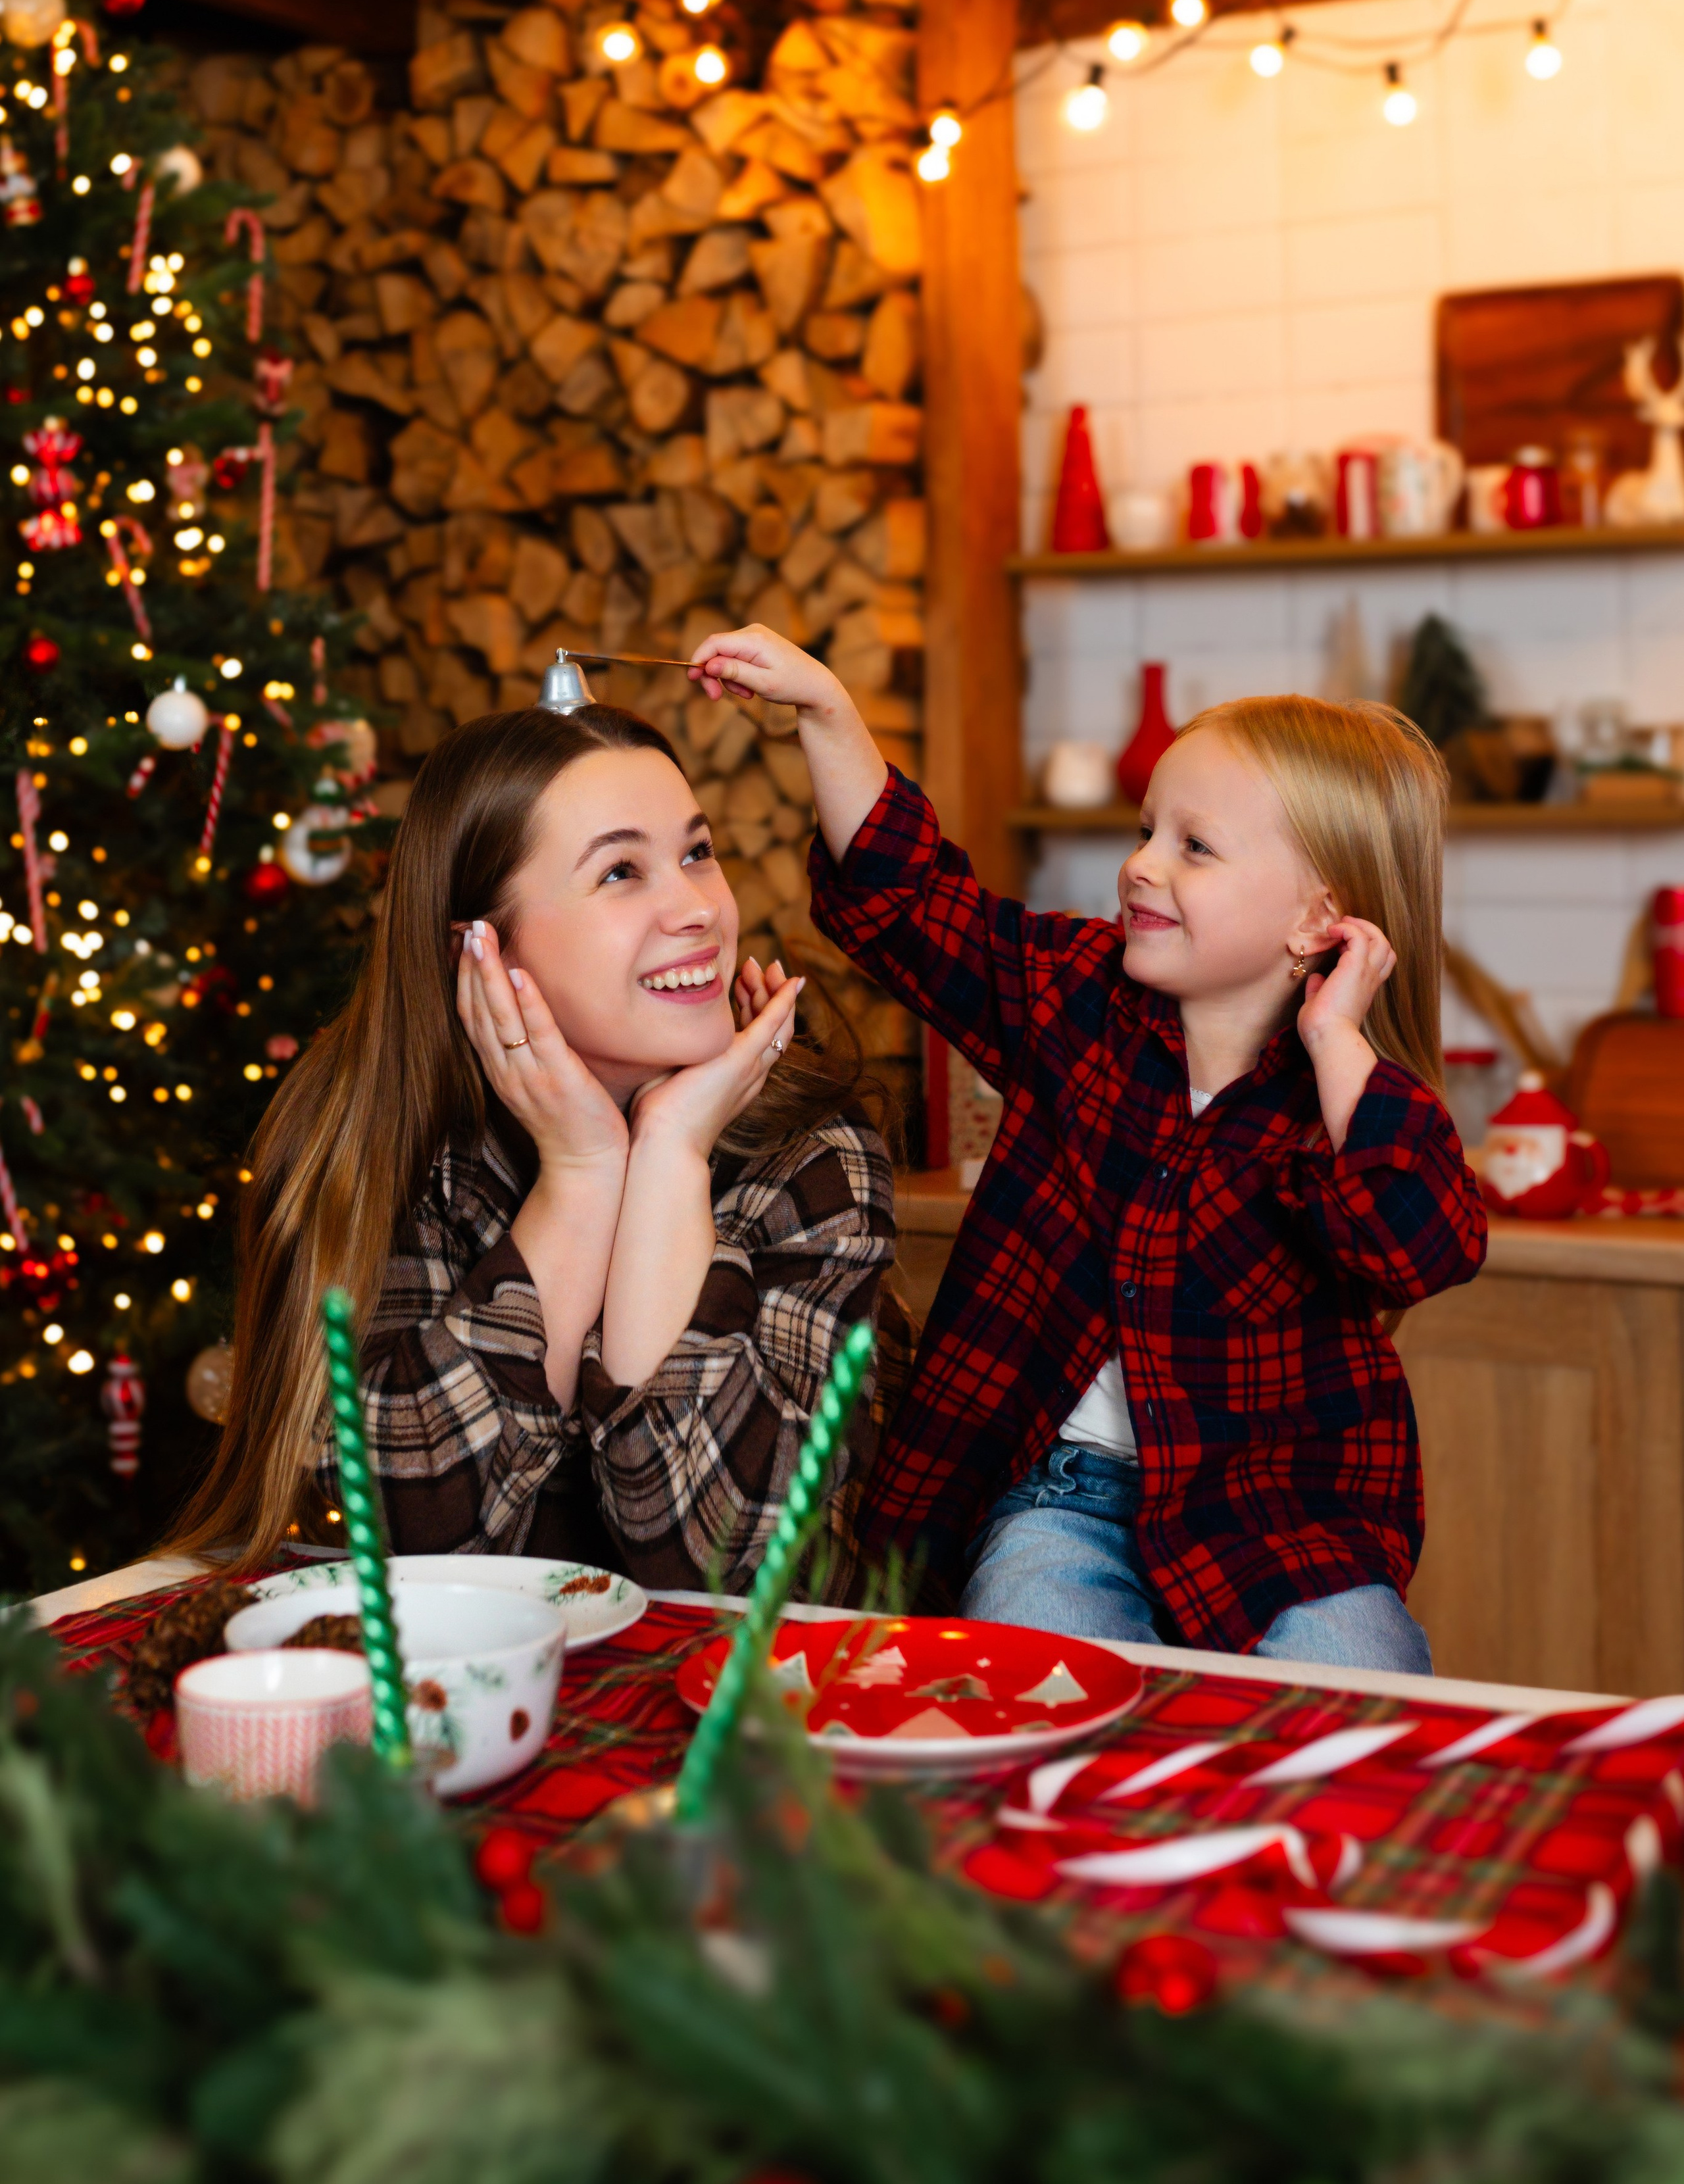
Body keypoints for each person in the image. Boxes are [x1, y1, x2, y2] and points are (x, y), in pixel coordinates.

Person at [683, 628, 1486, 1671]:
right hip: (1052, 1494)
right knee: (1029, 1663)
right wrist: (832, 713)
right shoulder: (1074, 996)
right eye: (1148, 830)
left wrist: (1337, 1042)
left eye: (1194, 847)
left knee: (1362, 1678)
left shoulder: (1356, 1104)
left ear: (1315, 920)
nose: (1140, 866)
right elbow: (910, 904)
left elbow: (1420, 1247)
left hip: (1285, 1525)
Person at [170, 703, 901, 1594]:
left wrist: (668, 1156)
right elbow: (403, 1542)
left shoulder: (811, 1152)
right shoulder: (381, 1141)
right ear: (481, 947)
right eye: (622, 871)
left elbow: (748, 1574)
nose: (698, 910)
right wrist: (583, 1176)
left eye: (697, 854)